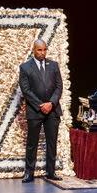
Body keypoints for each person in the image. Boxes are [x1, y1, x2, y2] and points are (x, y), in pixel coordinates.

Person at [19, 39, 63, 183]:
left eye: (44, 50)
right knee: (32, 143)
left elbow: (59, 87)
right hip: (35, 111)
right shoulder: (25, 67)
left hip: (52, 110)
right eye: (39, 50)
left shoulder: (54, 65)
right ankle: (29, 173)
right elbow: (26, 90)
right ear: (34, 50)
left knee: (52, 142)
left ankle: (51, 172)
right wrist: (40, 105)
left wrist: (51, 103)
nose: (42, 53)